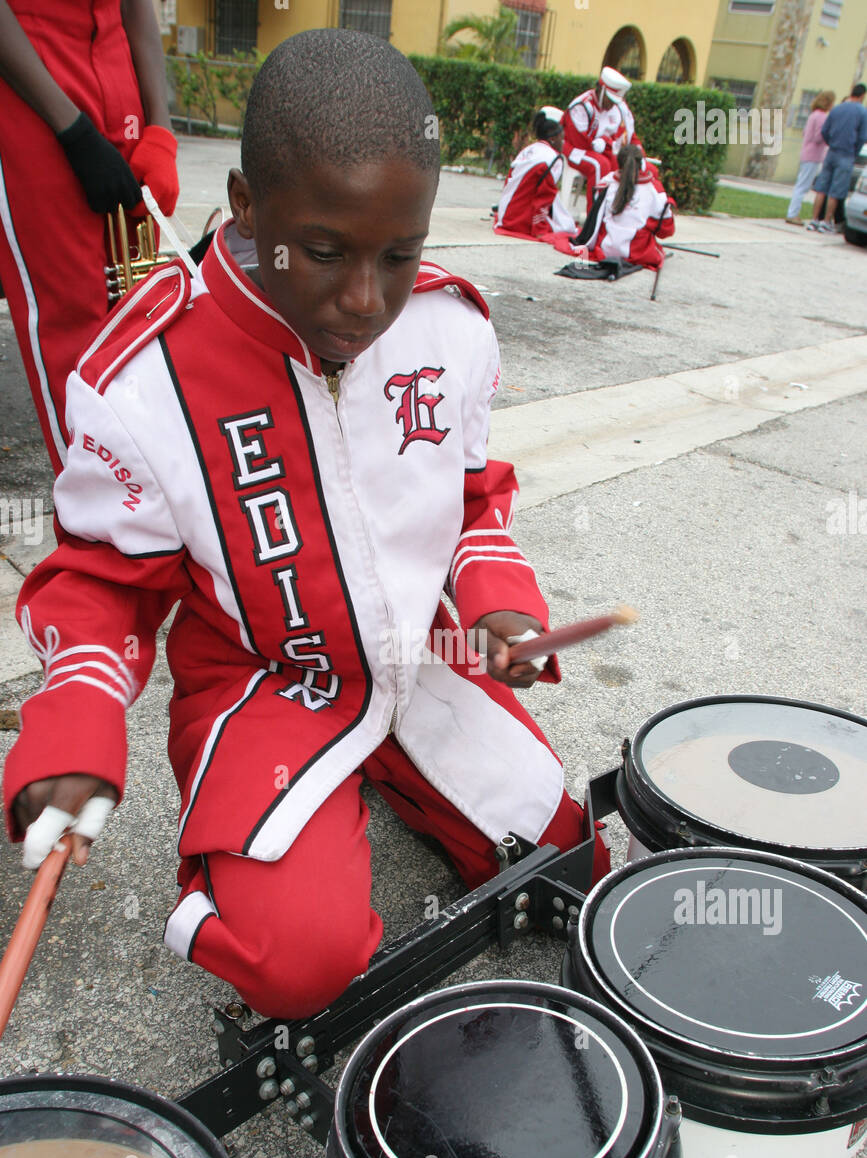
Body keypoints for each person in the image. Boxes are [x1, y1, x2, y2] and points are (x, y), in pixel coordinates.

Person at [3, 31, 611, 1022]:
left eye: (401, 254)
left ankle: (395, 766)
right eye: (323, 251)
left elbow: (473, 496)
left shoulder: (453, 329)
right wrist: (75, 721)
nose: (366, 300)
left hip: (418, 661)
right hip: (268, 689)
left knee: (577, 860)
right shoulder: (146, 384)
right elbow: (101, 580)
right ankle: (254, 847)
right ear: (247, 206)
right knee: (305, 970)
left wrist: (500, 609)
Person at [0, 0, 179, 476]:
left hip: (124, 86)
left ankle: (146, 510)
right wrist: (73, 131)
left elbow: (137, 7)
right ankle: (93, 528)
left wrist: (160, 130)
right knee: (72, 326)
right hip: (34, 92)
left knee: (134, 316)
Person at [581, 144, 675, 271]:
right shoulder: (655, 189)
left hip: (605, 249)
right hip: (636, 253)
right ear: (642, 163)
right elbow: (666, 231)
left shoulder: (606, 182)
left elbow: (595, 217)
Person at [561, 66, 638, 209]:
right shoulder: (582, 106)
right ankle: (595, 212)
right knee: (599, 165)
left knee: (617, 165)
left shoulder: (612, 109)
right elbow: (579, 141)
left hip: (593, 150)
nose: (612, 105)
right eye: (610, 100)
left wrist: (606, 142)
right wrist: (604, 143)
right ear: (601, 90)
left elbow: (612, 136)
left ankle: (611, 209)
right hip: (572, 149)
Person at [494, 109, 577, 240]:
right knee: (567, 227)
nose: (563, 142)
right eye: (562, 138)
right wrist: (540, 229)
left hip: (505, 215)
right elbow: (544, 196)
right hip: (519, 221)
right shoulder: (553, 159)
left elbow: (509, 182)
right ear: (553, 139)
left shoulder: (528, 150)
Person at [806, 84, 867, 233]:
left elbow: (825, 130)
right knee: (836, 190)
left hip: (831, 152)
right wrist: (855, 151)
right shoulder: (862, 112)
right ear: (862, 95)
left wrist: (831, 142)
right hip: (846, 154)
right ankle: (826, 222)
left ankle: (814, 220)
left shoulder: (837, 109)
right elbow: (862, 136)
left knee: (822, 188)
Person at [786, 91, 834, 225]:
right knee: (803, 186)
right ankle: (793, 213)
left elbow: (805, 133)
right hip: (813, 155)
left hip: (806, 153)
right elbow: (818, 136)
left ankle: (793, 212)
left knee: (801, 184)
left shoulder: (813, 115)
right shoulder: (822, 117)